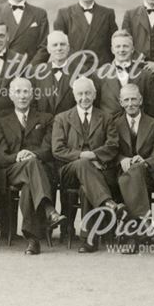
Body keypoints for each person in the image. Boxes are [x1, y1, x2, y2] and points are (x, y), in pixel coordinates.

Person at [0, 77, 65, 256]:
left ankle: (32, 240)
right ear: (11, 95)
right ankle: (48, 208)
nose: (22, 96)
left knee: (28, 187)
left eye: (25, 91)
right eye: (18, 92)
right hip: (13, 170)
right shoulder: (1, 121)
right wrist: (18, 156)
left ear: (32, 94)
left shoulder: (46, 119)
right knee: (29, 166)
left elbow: (49, 149)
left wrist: (33, 155)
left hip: (39, 169)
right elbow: (0, 157)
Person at [51, 77, 121, 253]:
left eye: (88, 93)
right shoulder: (62, 118)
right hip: (70, 171)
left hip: (99, 171)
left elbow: (113, 145)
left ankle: (89, 240)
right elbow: (57, 149)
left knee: (86, 188)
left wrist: (96, 155)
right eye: (80, 94)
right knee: (83, 163)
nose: (84, 97)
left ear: (95, 94)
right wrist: (84, 155)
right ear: (74, 96)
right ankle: (107, 202)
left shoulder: (106, 117)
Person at [109, 84, 154, 252]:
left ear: (140, 100)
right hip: (120, 174)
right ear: (120, 102)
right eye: (126, 100)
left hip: (147, 175)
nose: (130, 103)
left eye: (134, 99)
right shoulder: (113, 124)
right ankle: (143, 225)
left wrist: (145, 161)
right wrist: (121, 159)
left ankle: (132, 234)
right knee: (132, 172)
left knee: (137, 169)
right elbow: (110, 150)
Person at [53, 0, 118, 67]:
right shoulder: (64, 14)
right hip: (74, 69)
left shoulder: (107, 14)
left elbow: (114, 43)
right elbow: (58, 46)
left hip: (101, 69)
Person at [95, 30, 152, 117]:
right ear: (112, 50)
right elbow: (96, 107)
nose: (121, 50)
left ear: (132, 49)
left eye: (125, 46)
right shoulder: (99, 75)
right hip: (110, 126)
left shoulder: (145, 75)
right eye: (118, 46)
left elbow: (151, 108)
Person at [34, 31, 77, 118]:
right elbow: (32, 104)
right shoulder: (37, 72)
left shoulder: (80, 71)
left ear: (68, 48)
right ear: (48, 49)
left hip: (70, 127)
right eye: (55, 45)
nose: (59, 48)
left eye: (62, 44)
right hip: (43, 127)